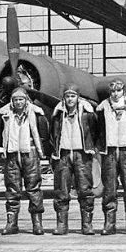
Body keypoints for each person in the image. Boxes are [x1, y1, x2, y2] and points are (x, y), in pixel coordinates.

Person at [0, 87, 49, 235]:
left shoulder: (37, 114)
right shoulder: (5, 115)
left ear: (26, 100)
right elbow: (0, 133)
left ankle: (37, 224)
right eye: (15, 100)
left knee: (34, 189)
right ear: (12, 102)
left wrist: (36, 148)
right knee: (12, 190)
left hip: (30, 153)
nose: (18, 102)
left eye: (21, 99)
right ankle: (11, 223)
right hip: (12, 155)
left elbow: (44, 134)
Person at [95, 78, 126, 235]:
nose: (115, 94)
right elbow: (97, 130)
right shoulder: (102, 108)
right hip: (109, 151)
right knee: (109, 188)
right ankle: (110, 222)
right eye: (113, 91)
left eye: (118, 91)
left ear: (124, 91)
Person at [49, 83, 97, 236]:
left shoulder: (88, 112)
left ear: (78, 97)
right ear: (64, 98)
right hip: (63, 154)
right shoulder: (57, 113)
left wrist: (90, 148)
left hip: (81, 153)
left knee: (85, 189)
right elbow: (52, 134)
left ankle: (87, 224)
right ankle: (62, 224)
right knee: (61, 190)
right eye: (67, 96)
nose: (70, 99)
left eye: (73, 96)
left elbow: (95, 130)